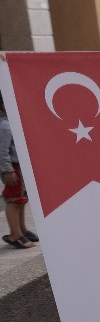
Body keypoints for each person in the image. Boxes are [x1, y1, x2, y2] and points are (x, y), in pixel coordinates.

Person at [0, 96, 36, 249]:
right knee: (13, 199)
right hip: (12, 168)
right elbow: (2, 151)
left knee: (22, 198)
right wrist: (7, 170)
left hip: (21, 166)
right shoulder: (5, 125)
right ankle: (15, 234)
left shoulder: (13, 120)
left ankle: (22, 229)